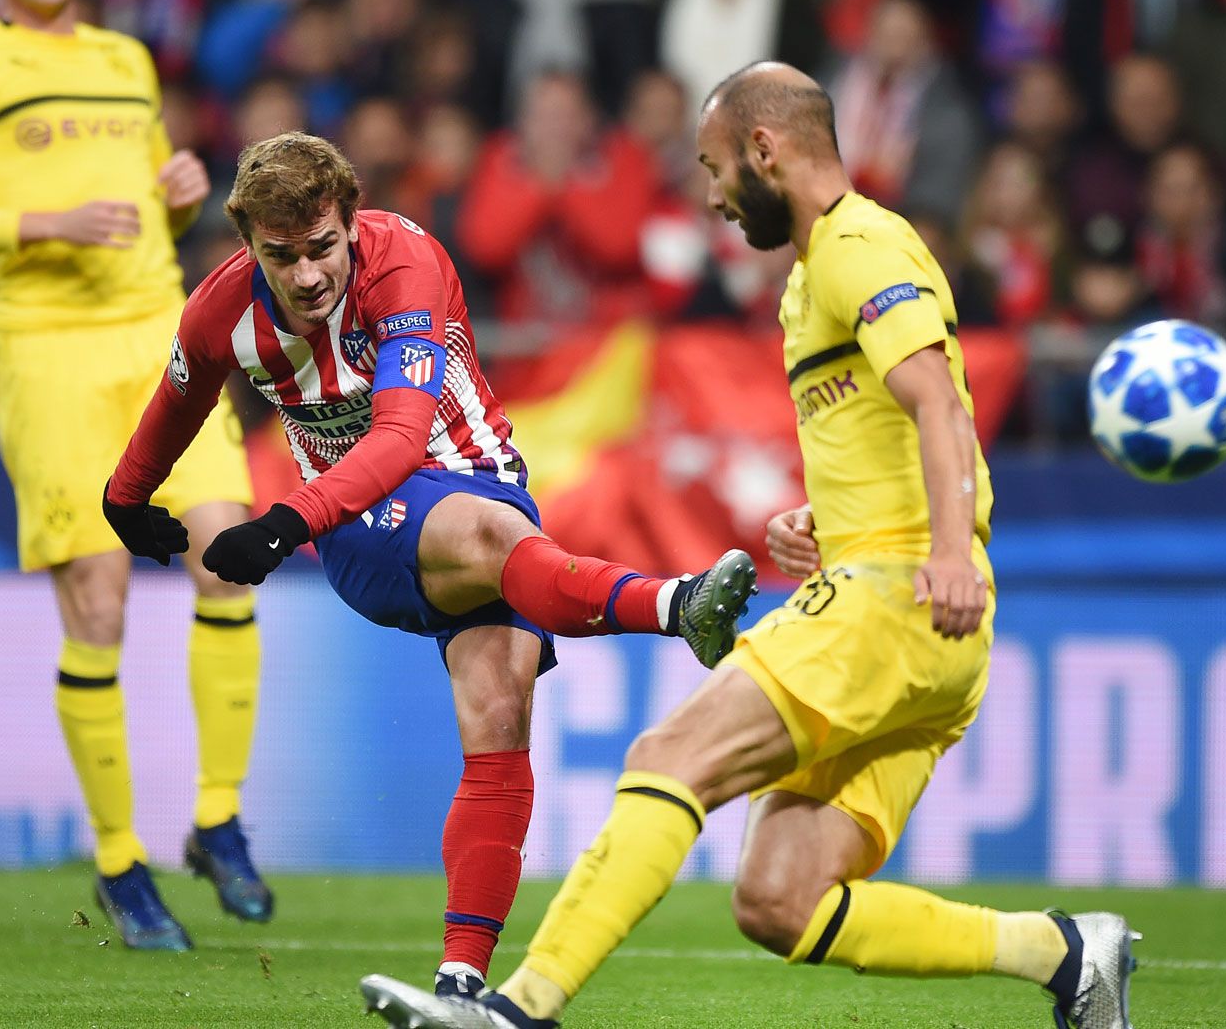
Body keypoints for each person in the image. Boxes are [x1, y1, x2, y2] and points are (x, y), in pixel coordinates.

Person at [356, 62, 1141, 1029]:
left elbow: (938, 402)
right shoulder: (821, 272)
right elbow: (904, 423)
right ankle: (1069, 954)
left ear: (765, 150)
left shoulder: (860, 242)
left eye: (717, 167)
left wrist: (939, 551)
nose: (715, 196)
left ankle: (517, 1010)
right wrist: (828, 523)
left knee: (669, 753)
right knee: (779, 901)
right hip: (922, 622)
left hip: (899, 595)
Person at [102, 131, 760, 998]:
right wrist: (126, 495)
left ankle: (458, 985)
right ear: (247, 243)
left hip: (467, 488)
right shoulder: (221, 309)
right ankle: (677, 605)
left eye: (321, 249)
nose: (305, 276)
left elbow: (404, 435)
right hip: (362, 527)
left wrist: (280, 525)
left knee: (498, 717)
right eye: (280, 255)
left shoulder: (405, 261)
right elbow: (178, 398)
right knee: (497, 548)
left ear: (350, 221)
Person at [0, 0, 267, 953]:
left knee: (229, 557)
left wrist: (184, 197)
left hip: (158, 334)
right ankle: (118, 863)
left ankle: (219, 817)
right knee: (97, 602)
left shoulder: (125, 60)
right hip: (49, 351)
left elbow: (158, 208)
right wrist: (43, 222)